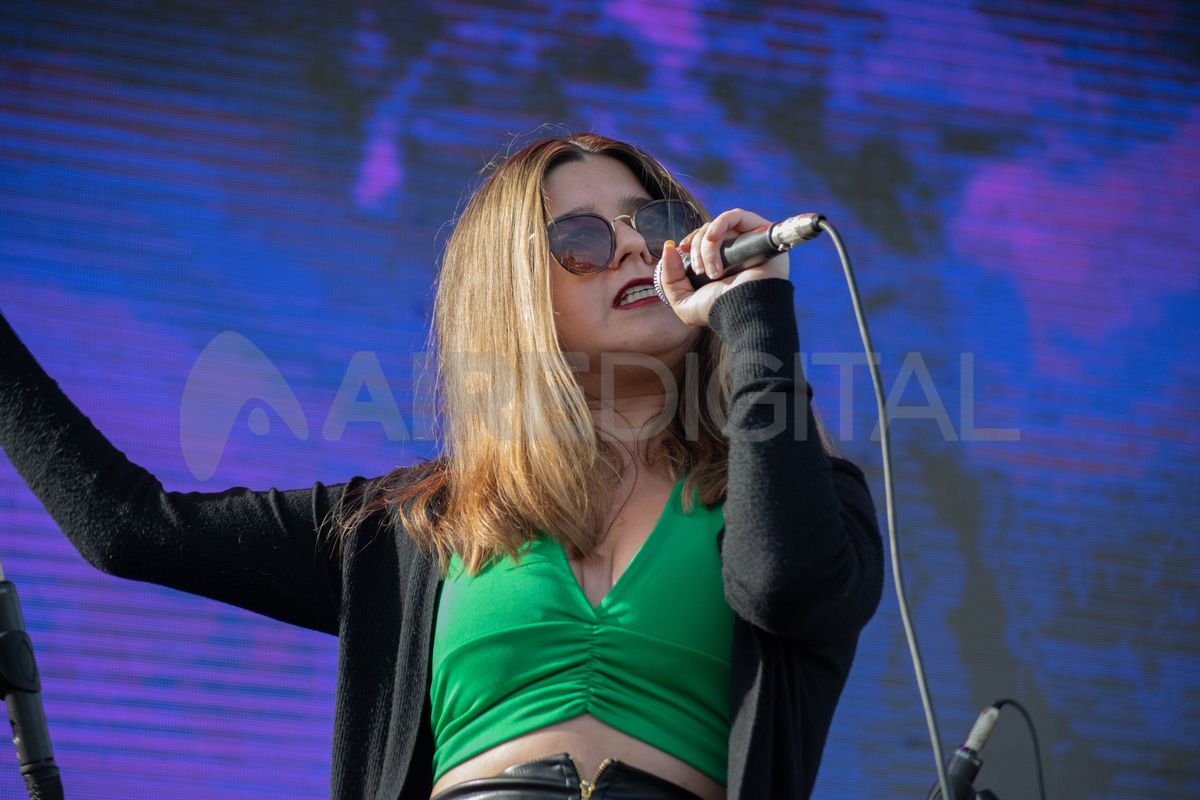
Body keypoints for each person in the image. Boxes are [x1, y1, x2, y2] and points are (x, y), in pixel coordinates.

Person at [0, 132, 883, 799]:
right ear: (516, 296)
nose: (629, 248)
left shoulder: (793, 493)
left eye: (653, 222)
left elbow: (785, 586)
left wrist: (756, 313)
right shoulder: (418, 523)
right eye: (578, 238)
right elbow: (127, 527)